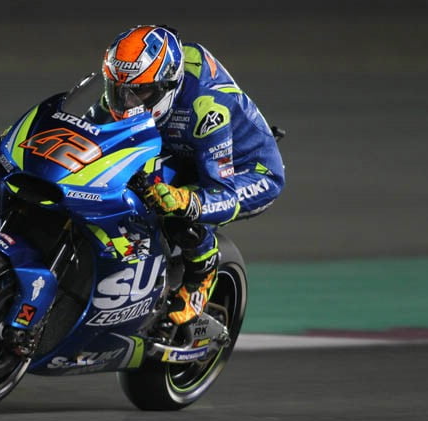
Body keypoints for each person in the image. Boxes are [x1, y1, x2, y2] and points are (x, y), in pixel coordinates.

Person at [87, 24, 286, 326]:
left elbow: (221, 190)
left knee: (175, 207)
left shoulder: (207, 109)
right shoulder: (135, 83)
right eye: (118, 90)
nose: (127, 102)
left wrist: (185, 200)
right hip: (185, 148)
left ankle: (201, 273)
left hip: (245, 170)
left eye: (139, 92)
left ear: (167, 85)